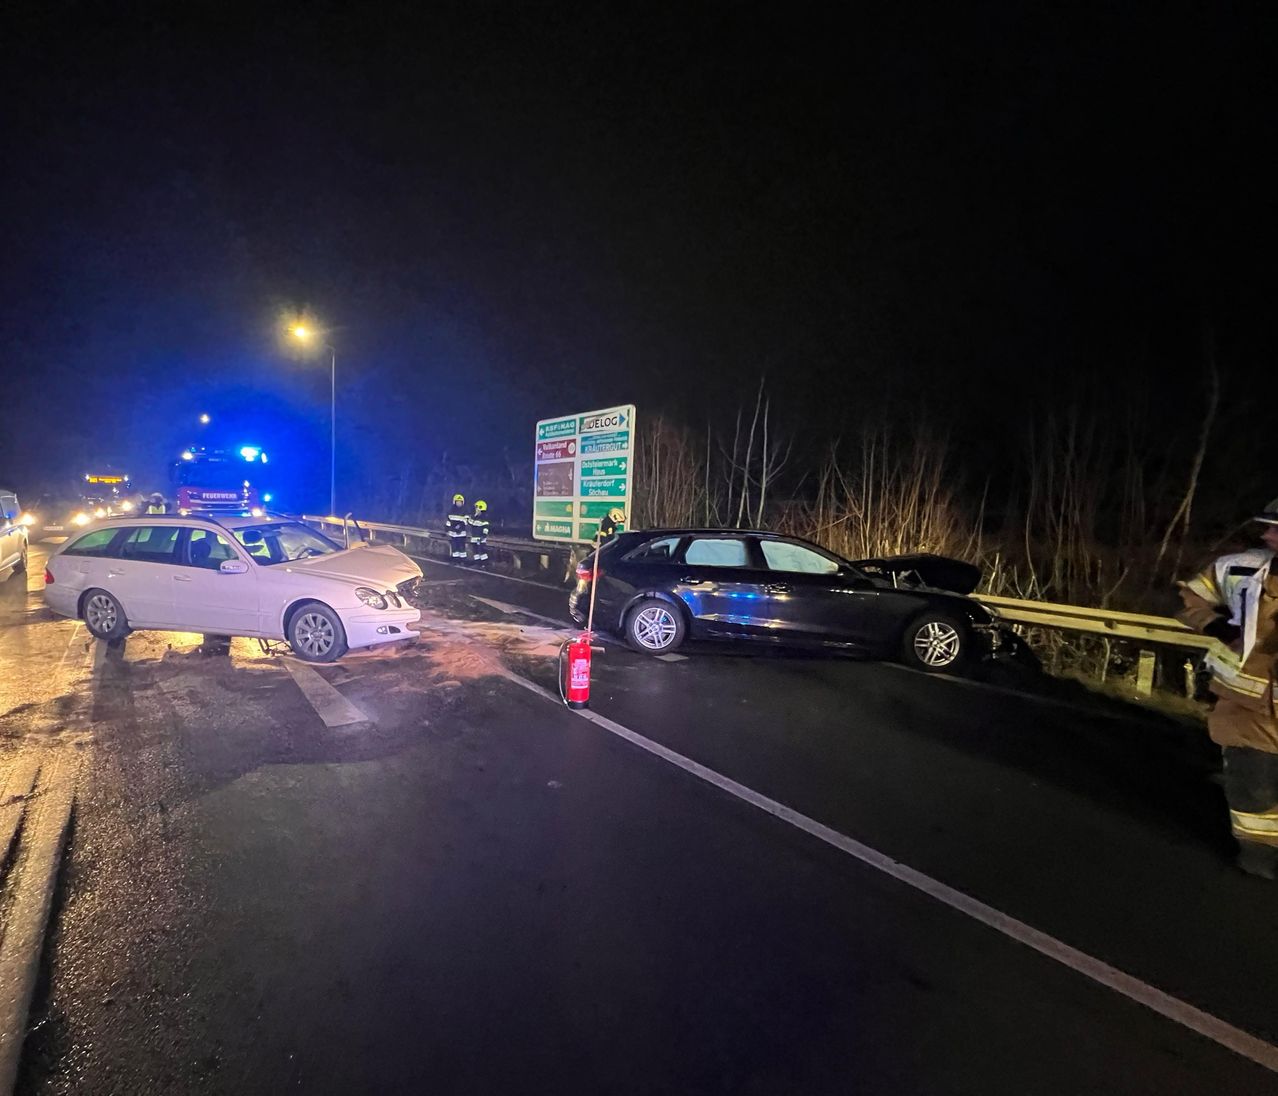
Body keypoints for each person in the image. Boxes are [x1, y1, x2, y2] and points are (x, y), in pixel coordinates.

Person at [1178, 497, 1278, 879]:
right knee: (1253, 787)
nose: (1265, 535)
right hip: (1245, 706)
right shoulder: (1240, 567)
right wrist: (1216, 625)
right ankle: (1260, 859)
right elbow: (1187, 596)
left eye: (1275, 529)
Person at [446, 493, 468, 561]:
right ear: (454, 502)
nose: (459, 503)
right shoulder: (451, 511)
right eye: (457, 502)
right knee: (454, 547)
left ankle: (463, 560)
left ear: (462, 502)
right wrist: (447, 529)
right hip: (453, 533)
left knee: (461, 547)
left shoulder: (465, 510)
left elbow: (466, 521)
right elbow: (448, 521)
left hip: (461, 533)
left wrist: (460, 526)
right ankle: (455, 560)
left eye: (460, 502)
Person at [468, 499, 490, 565]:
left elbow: (486, 528)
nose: (476, 509)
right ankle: (477, 563)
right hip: (474, 538)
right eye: (476, 508)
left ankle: (485, 564)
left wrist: (483, 536)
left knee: (482, 552)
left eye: (477, 508)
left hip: (480, 538)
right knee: (475, 552)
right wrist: (474, 516)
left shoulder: (484, 518)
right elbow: (470, 523)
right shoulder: (475, 517)